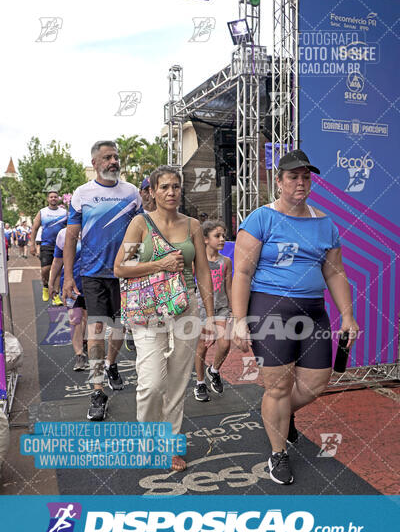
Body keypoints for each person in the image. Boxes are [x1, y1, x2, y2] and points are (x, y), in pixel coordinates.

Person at [232, 149, 359, 485]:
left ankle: (283, 413)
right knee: (277, 385)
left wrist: (347, 316)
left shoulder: (324, 223)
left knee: (317, 382)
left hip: (313, 311)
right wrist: (239, 319)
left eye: (306, 176)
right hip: (270, 308)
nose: (300, 182)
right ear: (279, 181)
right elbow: (242, 272)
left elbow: (335, 272)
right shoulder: (261, 218)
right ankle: (278, 454)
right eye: (293, 176)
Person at [114, 165, 215, 472]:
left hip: (186, 306)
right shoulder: (140, 224)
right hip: (149, 309)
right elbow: (121, 267)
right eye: (164, 187)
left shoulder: (193, 225)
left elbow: (202, 273)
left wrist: (210, 316)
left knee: (176, 382)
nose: (171, 192)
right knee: (152, 382)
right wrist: (159, 264)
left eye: (175, 186)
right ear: (152, 192)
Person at [63, 140, 143, 421]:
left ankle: (111, 365)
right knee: (96, 330)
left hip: (124, 274)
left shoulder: (132, 192)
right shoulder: (82, 194)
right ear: (95, 163)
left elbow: (142, 232)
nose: (113, 162)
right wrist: (68, 276)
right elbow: (71, 238)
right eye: (107, 157)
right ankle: (97, 390)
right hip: (93, 274)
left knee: (119, 327)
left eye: (116, 157)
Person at [194, 220, 232, 402]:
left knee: (224, 344)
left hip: (222, 308)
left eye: (223, 235)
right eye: (217, 236)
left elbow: (229, 286)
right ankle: (200, 382)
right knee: (202, 347)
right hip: (202, 308)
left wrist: (233, 309)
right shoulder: (197, 261)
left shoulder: (226, 261)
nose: (222, 239)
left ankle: (214, 370)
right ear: (205, 239)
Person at [49, 223, 88, 371]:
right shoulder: (63, 234)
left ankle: (86, 342)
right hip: (71, 284)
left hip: (91, 282)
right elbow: (57, 261)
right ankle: (79, 354)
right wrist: (51, 283)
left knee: (88, 319)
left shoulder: (94, 230)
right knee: (75, 319)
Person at [124, 176, 156, 353]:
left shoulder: (166, 215)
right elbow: (128, 256)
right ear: (142, 192)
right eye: (146, 190)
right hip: (139, 267)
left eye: (153, 189)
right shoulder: (135, 216)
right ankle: (131, 328)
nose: (150, 194)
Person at [30, 191, 67, 305]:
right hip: (46, 244)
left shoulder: (64, 212)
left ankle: (56, 295)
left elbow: (71, 227)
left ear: (58, 199)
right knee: (45, 269)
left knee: (58, 271)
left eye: (55, 197)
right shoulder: (43, 212)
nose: (53, 199)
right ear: (48, 199)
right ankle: (46, 287)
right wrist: (32, 245)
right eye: (51, 197)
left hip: (60, 245)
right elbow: (35, 228)